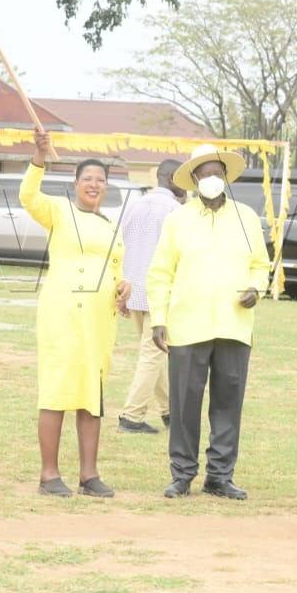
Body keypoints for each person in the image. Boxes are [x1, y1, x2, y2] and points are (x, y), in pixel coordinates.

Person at [148, 144, 270, 500]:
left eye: (218, 172)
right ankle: (182, 474)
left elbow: (261, 264)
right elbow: (160, 274)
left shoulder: (246, 217)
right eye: (205, 173)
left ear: (225, 177)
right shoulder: (177, 220)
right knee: (185, 405)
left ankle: (220, 475)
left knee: (228, 403)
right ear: (194, 178)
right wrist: (159, 318)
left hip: (234, 325)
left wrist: (256, 288)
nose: (212, 178)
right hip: (187, 325)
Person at [21, 129, 130, 497]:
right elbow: (27, 196)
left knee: (91, 394)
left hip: (99, 323)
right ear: (75, 183)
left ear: (107, 186)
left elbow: (114, 267)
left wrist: (123, 287)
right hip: (63, 317)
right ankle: (49, 475)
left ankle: (89, 475)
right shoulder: (59, 211)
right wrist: (39, 157)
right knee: (57, 391)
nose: (94, 184)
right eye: (87, 179)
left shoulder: (111, 225)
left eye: (100, 180)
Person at [118, 159, 185, 435]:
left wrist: (121, 290)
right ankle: (131, 417)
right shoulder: (175, 211)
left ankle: (170, 412)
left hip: (133, 288)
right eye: (183, 178)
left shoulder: (135, 204)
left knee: (154, 354)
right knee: (152, 355)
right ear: (170, 177)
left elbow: (121, 246)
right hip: (158, 293)